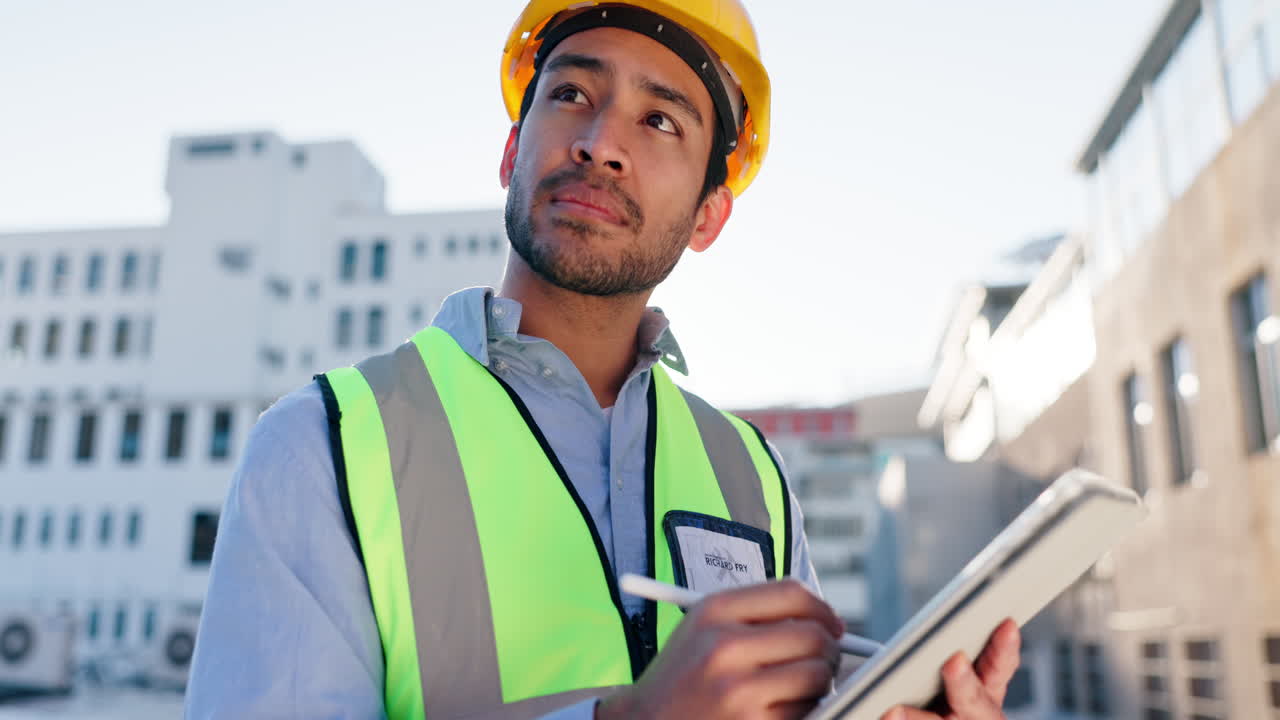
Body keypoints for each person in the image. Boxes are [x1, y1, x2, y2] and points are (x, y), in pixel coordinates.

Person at [184, 1, 1022, 718]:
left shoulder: (752, 474)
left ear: (708, 217)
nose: (599, 143)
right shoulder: (324, 444)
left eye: (659, 120)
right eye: (573, 93)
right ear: (513, 153)